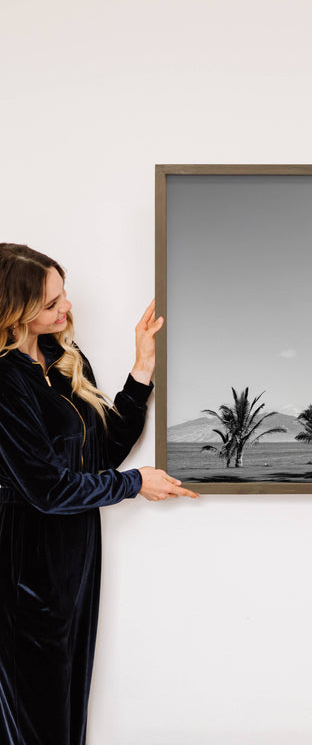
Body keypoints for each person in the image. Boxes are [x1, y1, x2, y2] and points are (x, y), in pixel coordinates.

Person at [0, 243, 198, 745]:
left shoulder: (61, 355)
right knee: (34, 720)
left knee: (65, 711)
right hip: (22, 568)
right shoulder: (4, 381)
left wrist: (143, 367)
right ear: (14, 310)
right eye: (51, 304)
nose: (66, 309)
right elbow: (46, 489)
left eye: (64, 295)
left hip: (74, 561)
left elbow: (102, 450)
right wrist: (136, 484)